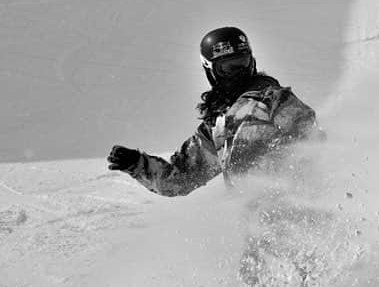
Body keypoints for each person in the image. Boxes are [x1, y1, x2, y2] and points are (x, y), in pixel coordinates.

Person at [108, 26, 319, 196]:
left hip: (301, 209)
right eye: (228, 68)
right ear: (211, 71)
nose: (239, 73)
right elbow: (181, 178)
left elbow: (312, 135)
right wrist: (137, 164)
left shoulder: (273, 98)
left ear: (251, 61)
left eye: (242, 63)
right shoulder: (218, 126)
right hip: (258, 229)